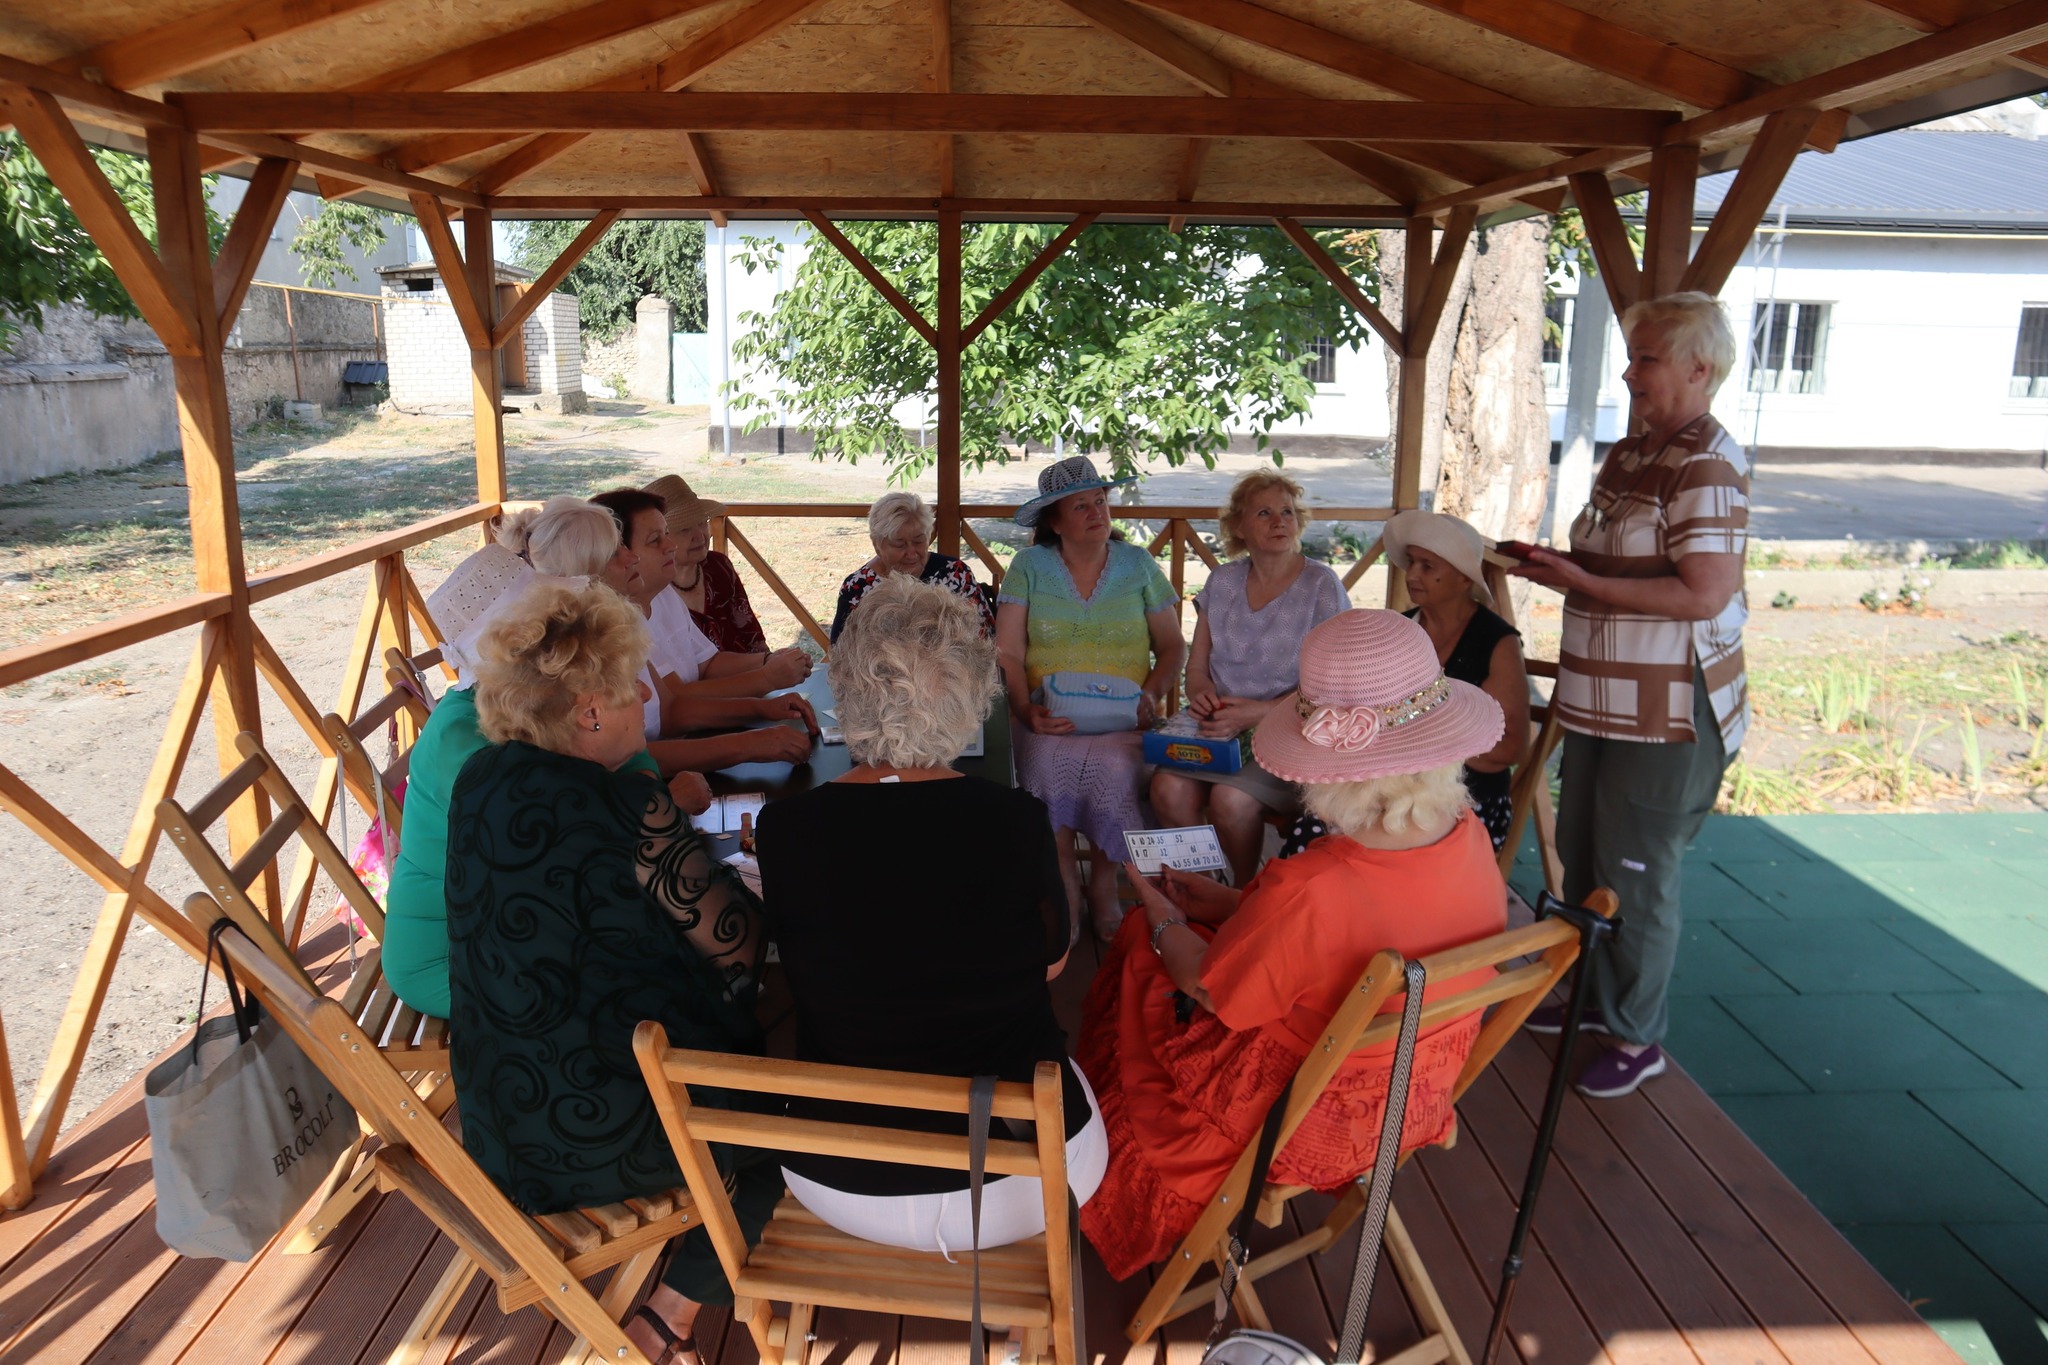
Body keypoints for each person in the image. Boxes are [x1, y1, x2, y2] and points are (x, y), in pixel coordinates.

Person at [1074, 609, 1507, 1280]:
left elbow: (1210, 988)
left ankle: (1091, 1168)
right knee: (1189, 933)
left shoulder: (1315, 884)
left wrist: (1159, 918)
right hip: (1407, 1096)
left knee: (1140, 947)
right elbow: (1342, 930)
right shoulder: (1469, 837)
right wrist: (1232, 904)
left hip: (1297, 1116)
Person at [444, 581, 779, 1365]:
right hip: (602, 1134)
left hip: (497, 1121)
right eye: (632, 688)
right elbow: (737, 947)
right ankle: (665, 1318)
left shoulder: (479, 780)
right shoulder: (629, 803)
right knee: (784, 1125)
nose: (643, 702)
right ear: (591, 710)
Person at [756, 576, 1106, 1260]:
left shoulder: (786, 828)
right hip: (1024, 1178)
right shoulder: (1015, 820)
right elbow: (1052, 961)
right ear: (971, 696)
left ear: (846, 691)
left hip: (842, 1176)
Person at [1511, 291, 1749, 1101]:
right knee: (1585, 853)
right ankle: (1589, 994)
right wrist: (1555, 566)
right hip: (1603, 697)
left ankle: (1633, 1033)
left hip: (1668, 706)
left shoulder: (1705, 462)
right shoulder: (1633, 452)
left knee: (1637, 872)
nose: (1628, 372)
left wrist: (1580, 581)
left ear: (1698, 369)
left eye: (1646, 357)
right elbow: (1614, 563)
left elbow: (1704, 593)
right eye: (1632, 354)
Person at [387, 498, 693, 1018]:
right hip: (454, 954)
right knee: (661, 982)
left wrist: (648, 802)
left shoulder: (539, 703)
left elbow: (628, 772)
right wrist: (657, 806)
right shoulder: (466, 736)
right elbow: (569, 852)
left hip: (527, 920)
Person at [997, 456, 1184, 942]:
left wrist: (1150, 696)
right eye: (1080, 506)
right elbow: (1008, 652)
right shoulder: (1028, 567)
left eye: (1100, 501)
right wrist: (1024, 710)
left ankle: (1103, 883)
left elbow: (1172, 647)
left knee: (1116, 768)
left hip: (1125, 720)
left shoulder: (1138, 564)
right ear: (1055, 522)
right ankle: (1065, 882)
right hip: (1045, 716)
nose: (1097, 512)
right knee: (1042, 763)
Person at [1282, 510, 1528, 857]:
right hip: (1383, 792)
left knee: (1354, 853)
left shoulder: (1497, 641)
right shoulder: (1400, 630)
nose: (1411, 574)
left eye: (1428, 566)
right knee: (1320, 835)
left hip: (1461, 800)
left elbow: (1510, 748)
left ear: (1463, 578)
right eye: (1411, 562)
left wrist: (1418, 746)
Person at [1149, 470, 1346, 886]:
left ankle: (1243, 895)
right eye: (1264, 513)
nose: (1279, 522)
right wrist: (1202, 695)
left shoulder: (1321, 585)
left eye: (1287, 512)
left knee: (1230, 800)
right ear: (1239, 527)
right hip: (1217, 728)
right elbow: (1197, 668)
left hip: (1289, 733)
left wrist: (1259, 713)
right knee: (1166, 788)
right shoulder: (1222, 581)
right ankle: (1201, 887)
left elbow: (1336, 684)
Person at [589, 487, 818, 773]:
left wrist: (762, 702)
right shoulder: (591, 634)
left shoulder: (657, 599)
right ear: (599, 559)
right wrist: (750, 732)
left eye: (668, 534)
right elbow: (622, 759)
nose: (670, 546)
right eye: (655, 540)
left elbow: (673, 706)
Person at [829, 490, 993, 642]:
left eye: (918, 541)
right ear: (877, 544)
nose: (911, 553)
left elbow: (986, 636)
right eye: (899, 545)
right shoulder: (858, 586)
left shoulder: (955, 573)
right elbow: (840, 649)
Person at [644, 474, 772, 654]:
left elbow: (753, 637)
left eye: (702, 523)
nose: (700, 536)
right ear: (661, 538)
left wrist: (771, 663)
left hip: (753, 668)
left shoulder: (718, 566)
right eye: (685, 529)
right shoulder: (651, 592)